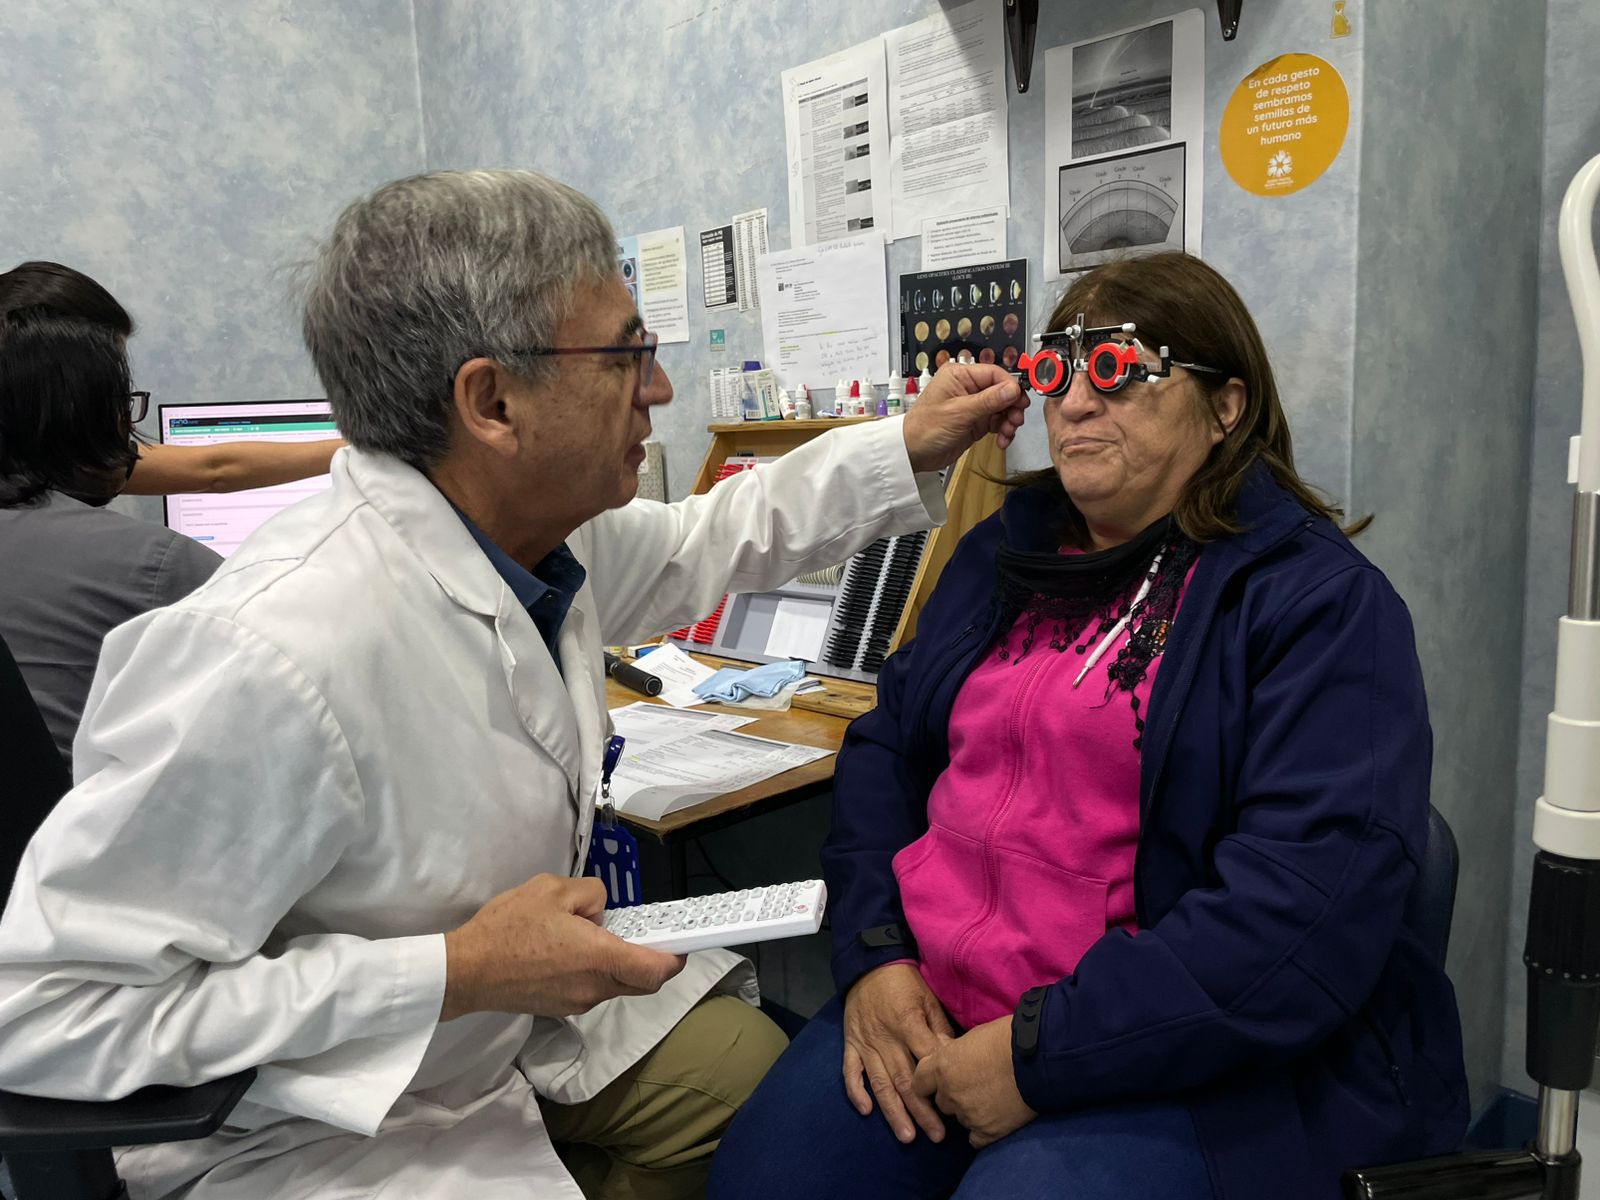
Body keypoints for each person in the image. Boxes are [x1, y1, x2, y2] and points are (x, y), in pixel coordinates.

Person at [0, 169, 1028, 1200]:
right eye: (628, 354)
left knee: (752, 1085)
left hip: (490, 1043)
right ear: (491, 402)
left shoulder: (529, 541)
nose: (659, 390)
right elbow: (42, 1017)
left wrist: (908, 440)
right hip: (311, 1122)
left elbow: (711, 536)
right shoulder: (266, 653)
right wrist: (456, 970)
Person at [711, 252, 1469, 1200]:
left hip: (1174, 1050)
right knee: (767, 1180)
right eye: (1057, 369)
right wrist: (875, 957)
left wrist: (1038, 1056)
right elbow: (885, 753)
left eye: (1116, 368)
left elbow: (1297, 912)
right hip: (936, 995)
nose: (1074, 401)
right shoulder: (1001, 554)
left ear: (1226, 406)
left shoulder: (1318, 607)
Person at [0, 262, 343, 764]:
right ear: (81, 406)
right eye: (118, 395)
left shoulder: (34, 468)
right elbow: (313, 669)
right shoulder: (154, 567)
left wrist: (352, 448)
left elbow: (214, 468)